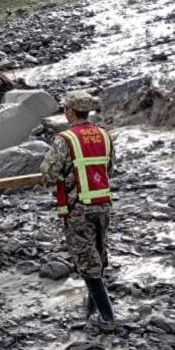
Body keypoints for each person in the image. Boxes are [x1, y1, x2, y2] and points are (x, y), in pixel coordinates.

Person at [39, 90, 117, 333]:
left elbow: (48, 174)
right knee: (98, 253)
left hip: (78, 207)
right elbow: (110, 169)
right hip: (102, 203)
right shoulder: (104, 136)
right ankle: (91, 310)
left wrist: (65, 178)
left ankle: (107, 316)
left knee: (85, 259)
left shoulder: (66, 139)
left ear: (70, 111)